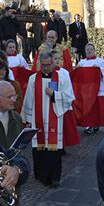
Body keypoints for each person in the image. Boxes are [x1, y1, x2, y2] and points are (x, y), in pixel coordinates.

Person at [22, 52, 75, 188]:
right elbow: (28, 98)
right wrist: (27, 118)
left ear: (53, 63)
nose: (45, 68)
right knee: (39, 149)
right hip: (37, 118)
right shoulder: (33, 79)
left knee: (54, 149)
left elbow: (69, 96)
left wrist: (55, 95)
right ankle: (41, 175)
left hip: (55, 119)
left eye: (48, 65)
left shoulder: (61, 78)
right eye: (43, 65)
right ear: (40, 63)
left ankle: (54, 177)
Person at [74, 43, 104, 134]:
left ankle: (96, 124)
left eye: (91, 49)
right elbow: (77, 76)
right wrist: (77, 69)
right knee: (88, 108)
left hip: (98, 89)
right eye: (87, 50)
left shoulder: (99, 61)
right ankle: (89, 125)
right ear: (85, 51)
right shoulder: (82, 62)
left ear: (94, 50)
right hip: (86, 91)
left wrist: (99, 69)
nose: (89, 51)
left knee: (96, 109)